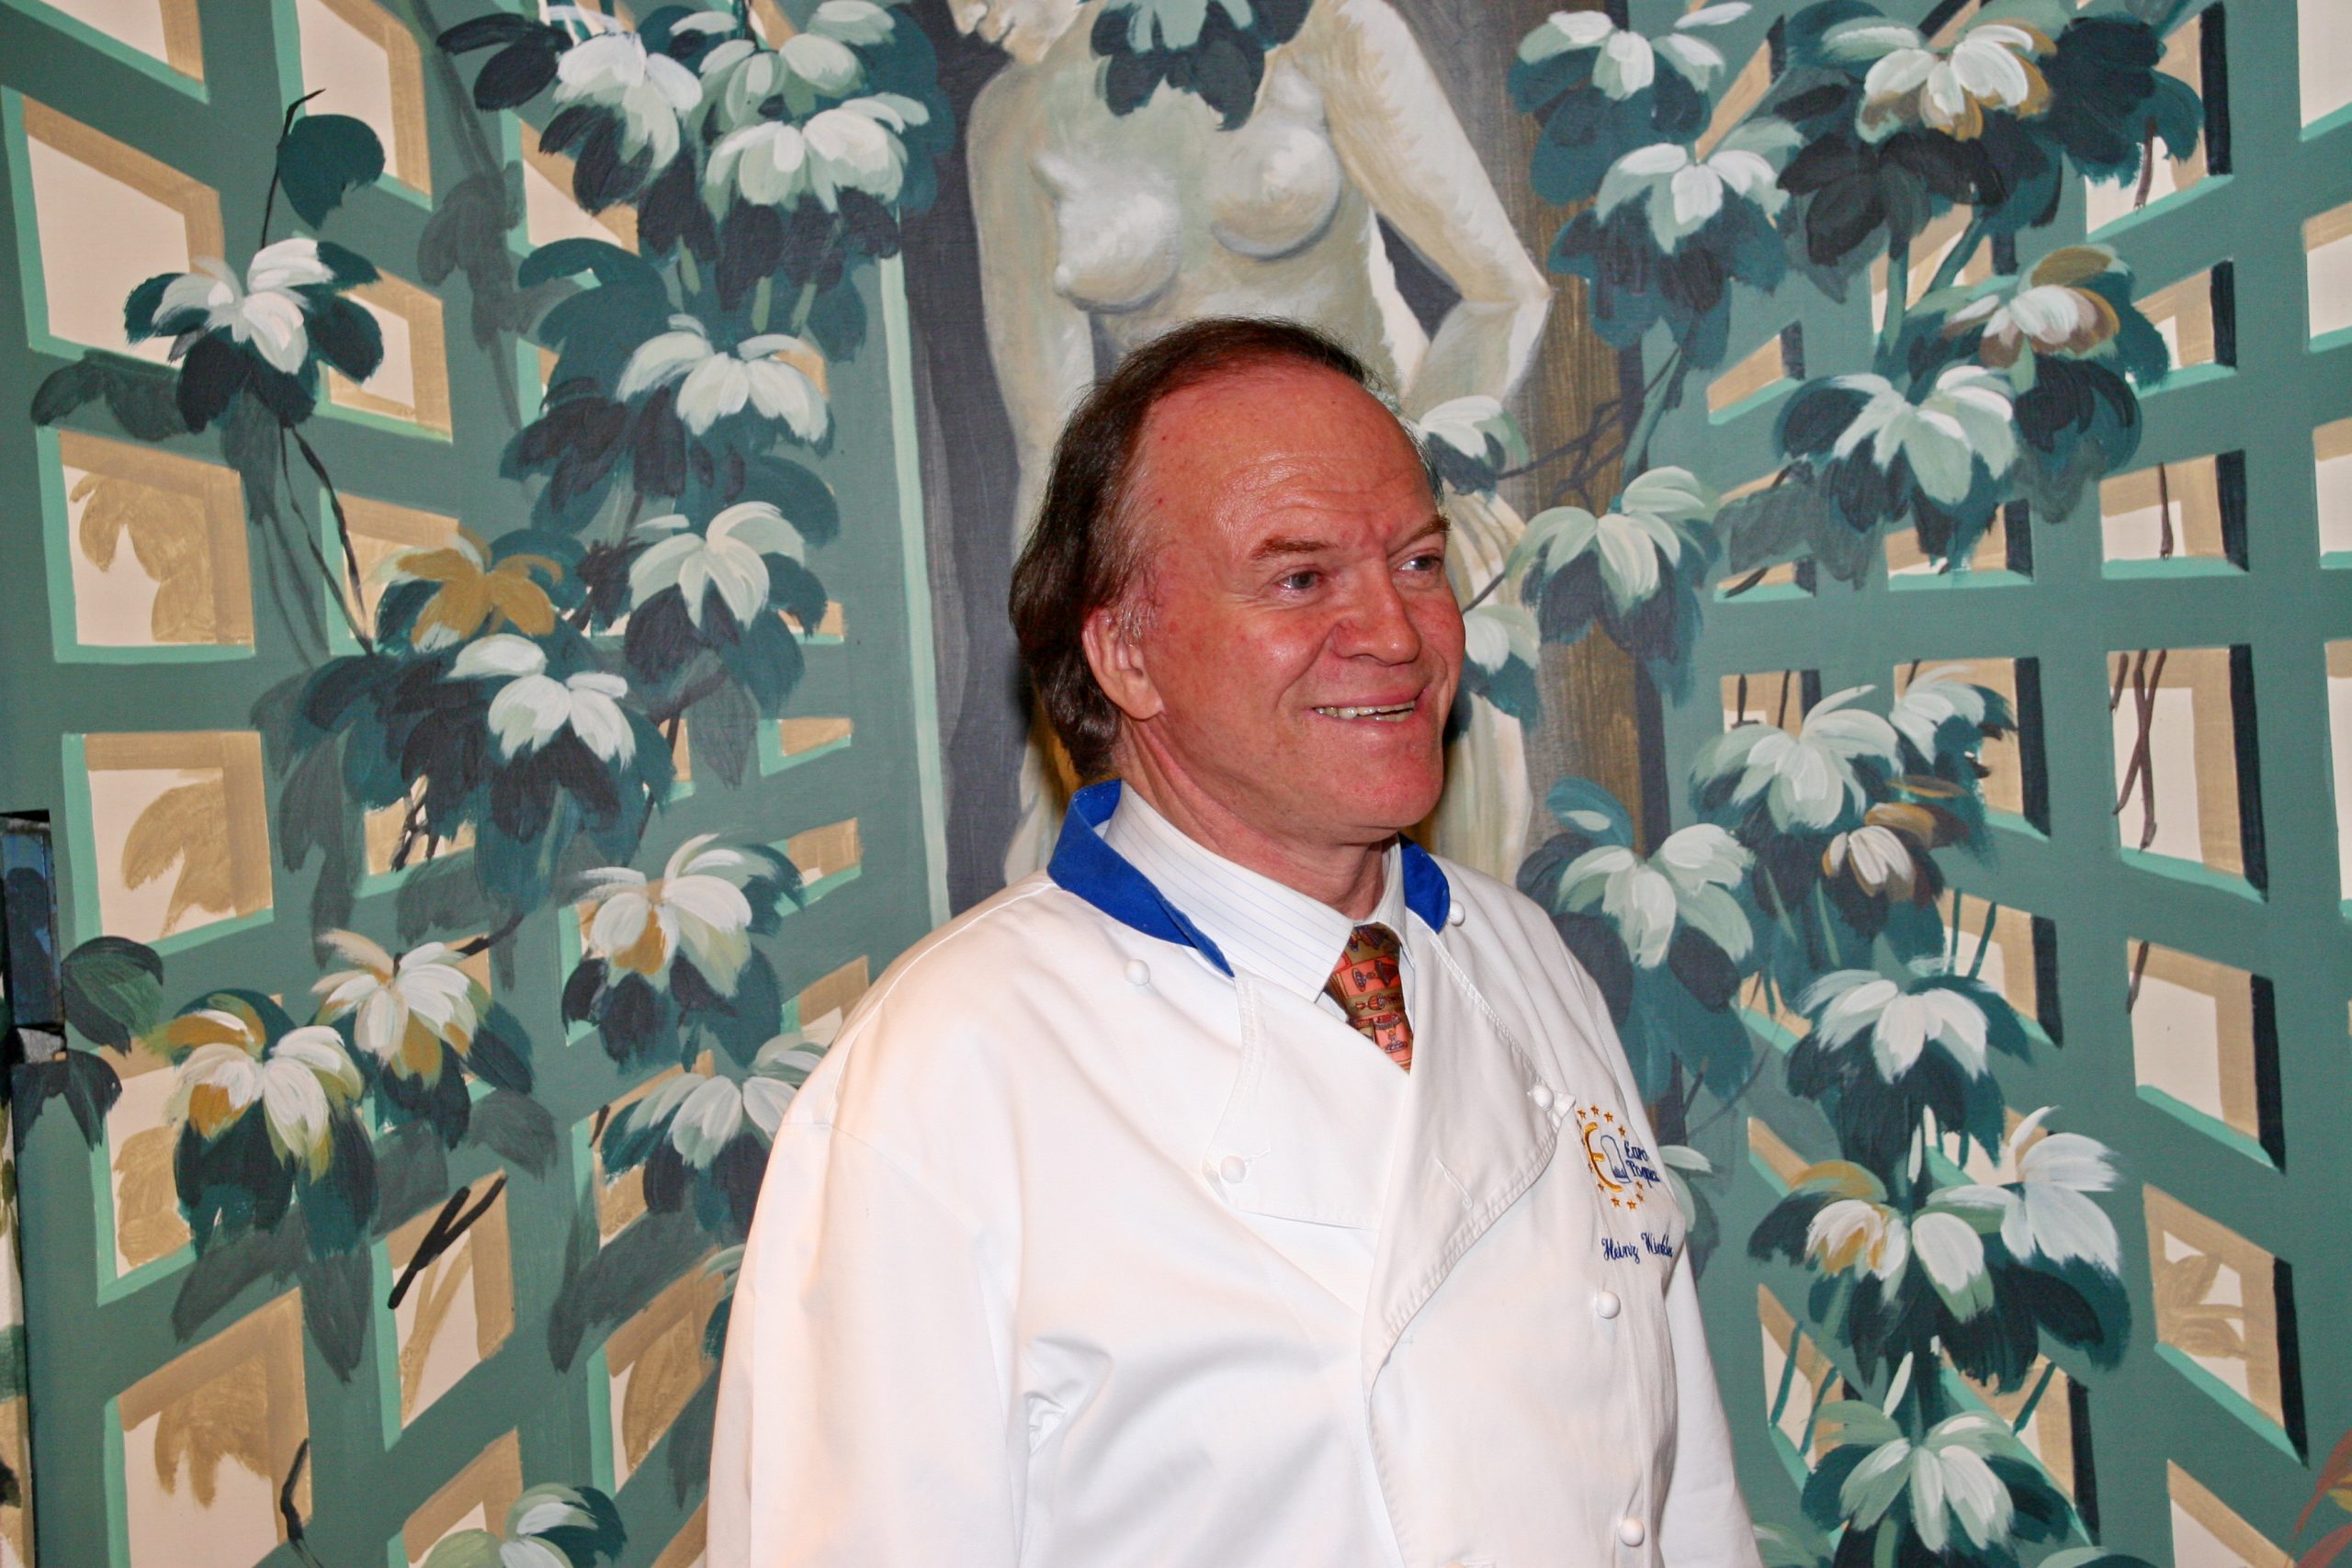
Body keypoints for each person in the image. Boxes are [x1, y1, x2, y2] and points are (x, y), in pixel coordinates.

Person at [709, 320, 1759, 1568]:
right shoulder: (942, 1072)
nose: (1397, 631)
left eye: (1418, 561)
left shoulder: (1525, 958)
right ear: (1125, 652)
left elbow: (1685, 1497)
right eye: (1301, 578)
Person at [954, 0, 1552, 884]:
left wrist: (1396, 530)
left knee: (1444, 922)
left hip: (1391, 546)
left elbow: (1502, 293)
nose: (966, 14)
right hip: (1196, 607)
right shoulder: (1014, 120)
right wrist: (1069, 692)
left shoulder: (1328, 27)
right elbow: (1049, 446)